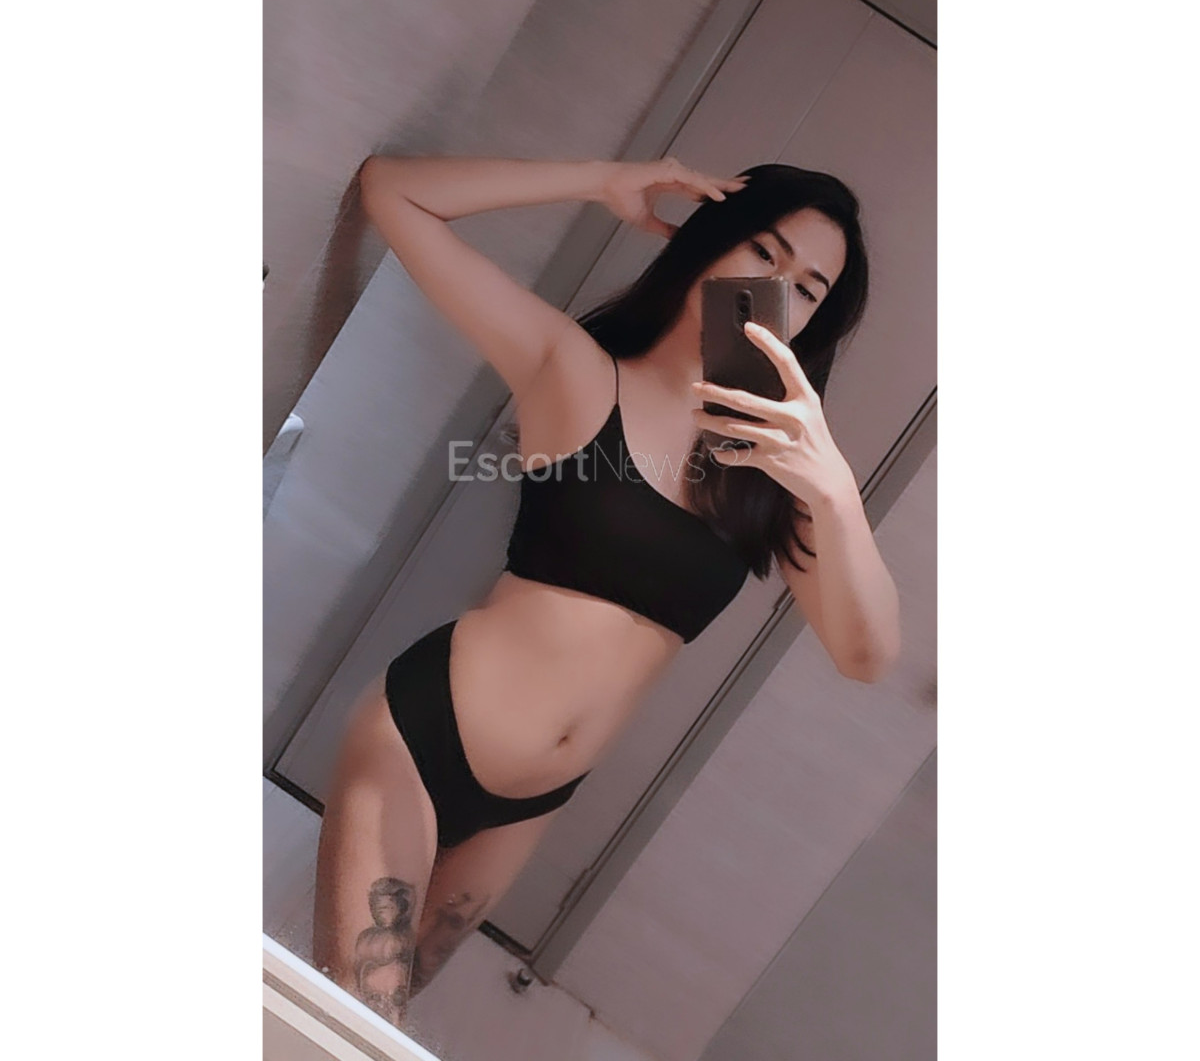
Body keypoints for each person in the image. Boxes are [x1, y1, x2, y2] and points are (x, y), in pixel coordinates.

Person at [311, 153, 902, 1026]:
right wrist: (601, 179)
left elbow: (867, 655)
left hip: (529, 805)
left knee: (367, 1028)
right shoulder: (579, 369)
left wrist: (836, 491)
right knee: (351, 1032)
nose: (776, 288)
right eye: (764, 251)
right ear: (711, 240)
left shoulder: (771, 474)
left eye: (808, 288)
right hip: (424, 740)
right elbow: (391, 191)